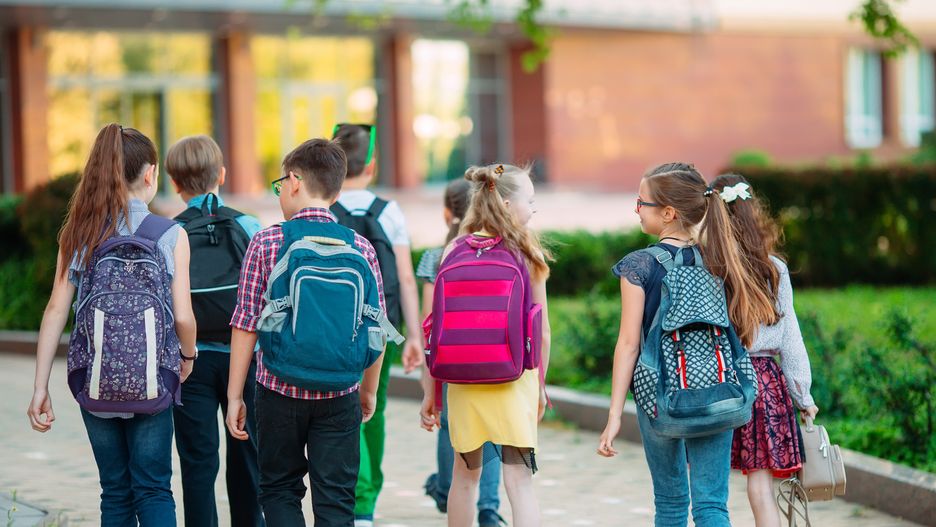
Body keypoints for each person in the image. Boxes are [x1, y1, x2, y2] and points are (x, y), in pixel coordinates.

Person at [28, 123, 196, 526]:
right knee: (154, 488)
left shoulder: (80, 233)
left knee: (115, 491)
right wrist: (187, 357)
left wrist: (40, 387)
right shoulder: (171, 234)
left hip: (96, 378)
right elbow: (184, 317)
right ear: (150, 173)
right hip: (154, 376)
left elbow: (55, 311)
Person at [597, 162, 777, 527]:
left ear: (667, 213)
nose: (636, 209)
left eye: (641, 202)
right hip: (719, 393)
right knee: (712, 506)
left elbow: (629, 344)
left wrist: (614, 413)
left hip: (660, 398)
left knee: (671, 504)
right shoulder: (721, 261)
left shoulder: (640, 266)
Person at [226, 138, 391, 526]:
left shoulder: (267, 241)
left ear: (295, 181)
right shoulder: (362, 247)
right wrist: (368, 390)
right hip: (341, 392)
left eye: (280, 182)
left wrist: (235, 395)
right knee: (335, 501)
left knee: (280, 489)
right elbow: (377, 328)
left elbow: (247, 323)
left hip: (277, 389)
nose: (280, 190)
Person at [421, 164, 551, 527]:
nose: (534, 208)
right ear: (508, 205)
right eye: (530, 200)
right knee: (519, 482)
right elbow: (543, 332)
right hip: (513, 380)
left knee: (464, 480)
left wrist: (432, 393)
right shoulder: (526, 250)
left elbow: (436, 329)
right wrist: (540, 386)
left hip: (463, 383)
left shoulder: (453, 251)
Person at [166, 135, 264, 527]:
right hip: (247, 358)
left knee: (197, 461)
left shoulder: (169, 233)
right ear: (222, 175)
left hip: (191, 362)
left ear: (174, 184)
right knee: (248, 454)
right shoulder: (248, 225)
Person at [711, 173, 819, 527]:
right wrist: (803, 395)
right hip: (765, 382)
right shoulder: (775, 268)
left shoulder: (712, 268)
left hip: (723, 378)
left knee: (711, 481)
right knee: (760, 483)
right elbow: (791, 338)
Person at [330, 123, 423, 526]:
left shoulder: (323, 208)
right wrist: (415, 336)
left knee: (344, 406)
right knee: (375, 407)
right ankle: (366, 500)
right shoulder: (389, 211)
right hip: (380, 328)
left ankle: (356, 495)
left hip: (332, 326)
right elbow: (404, 276)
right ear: (372, 164)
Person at [418, 178, 505, 527]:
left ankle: (446, 491)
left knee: (450, 428)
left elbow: (430, 324)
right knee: (494, 432)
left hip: (454, 361)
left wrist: (429, 383)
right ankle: (489, 507)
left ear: (446, 212)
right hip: (497, 357)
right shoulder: (502, 251)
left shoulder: (436, 257)